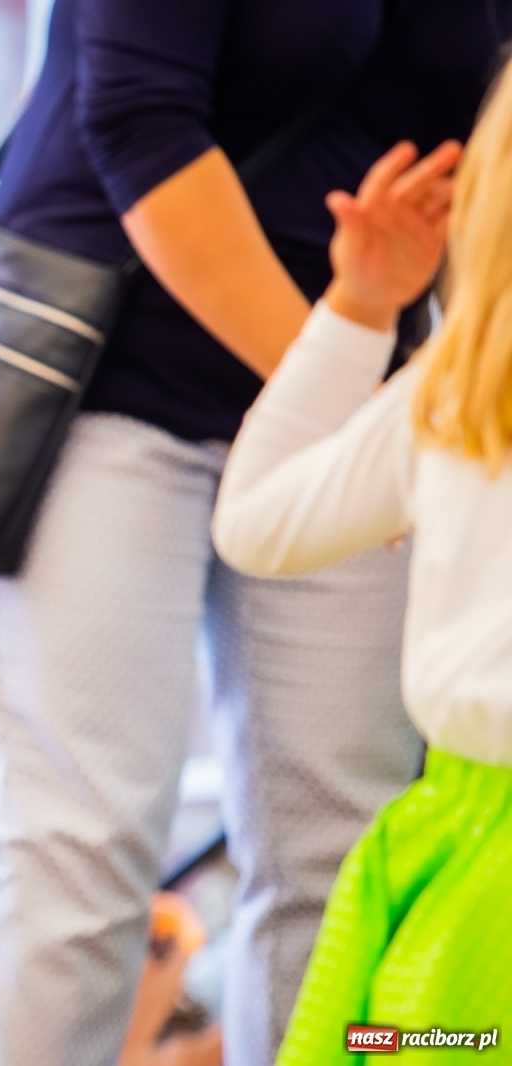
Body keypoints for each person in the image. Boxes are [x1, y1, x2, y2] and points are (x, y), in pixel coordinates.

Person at [0, 1, 512, 1063]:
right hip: (111, 386)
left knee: (335, 845)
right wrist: (373, 415)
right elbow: (139, 122)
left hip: (363, 367)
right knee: (82, 845)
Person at [213, 66, 512, 1061]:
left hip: (465, 862)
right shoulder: (459, 385)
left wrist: (357, 305)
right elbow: (257, 525)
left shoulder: (460, 385)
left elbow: (256, 519)